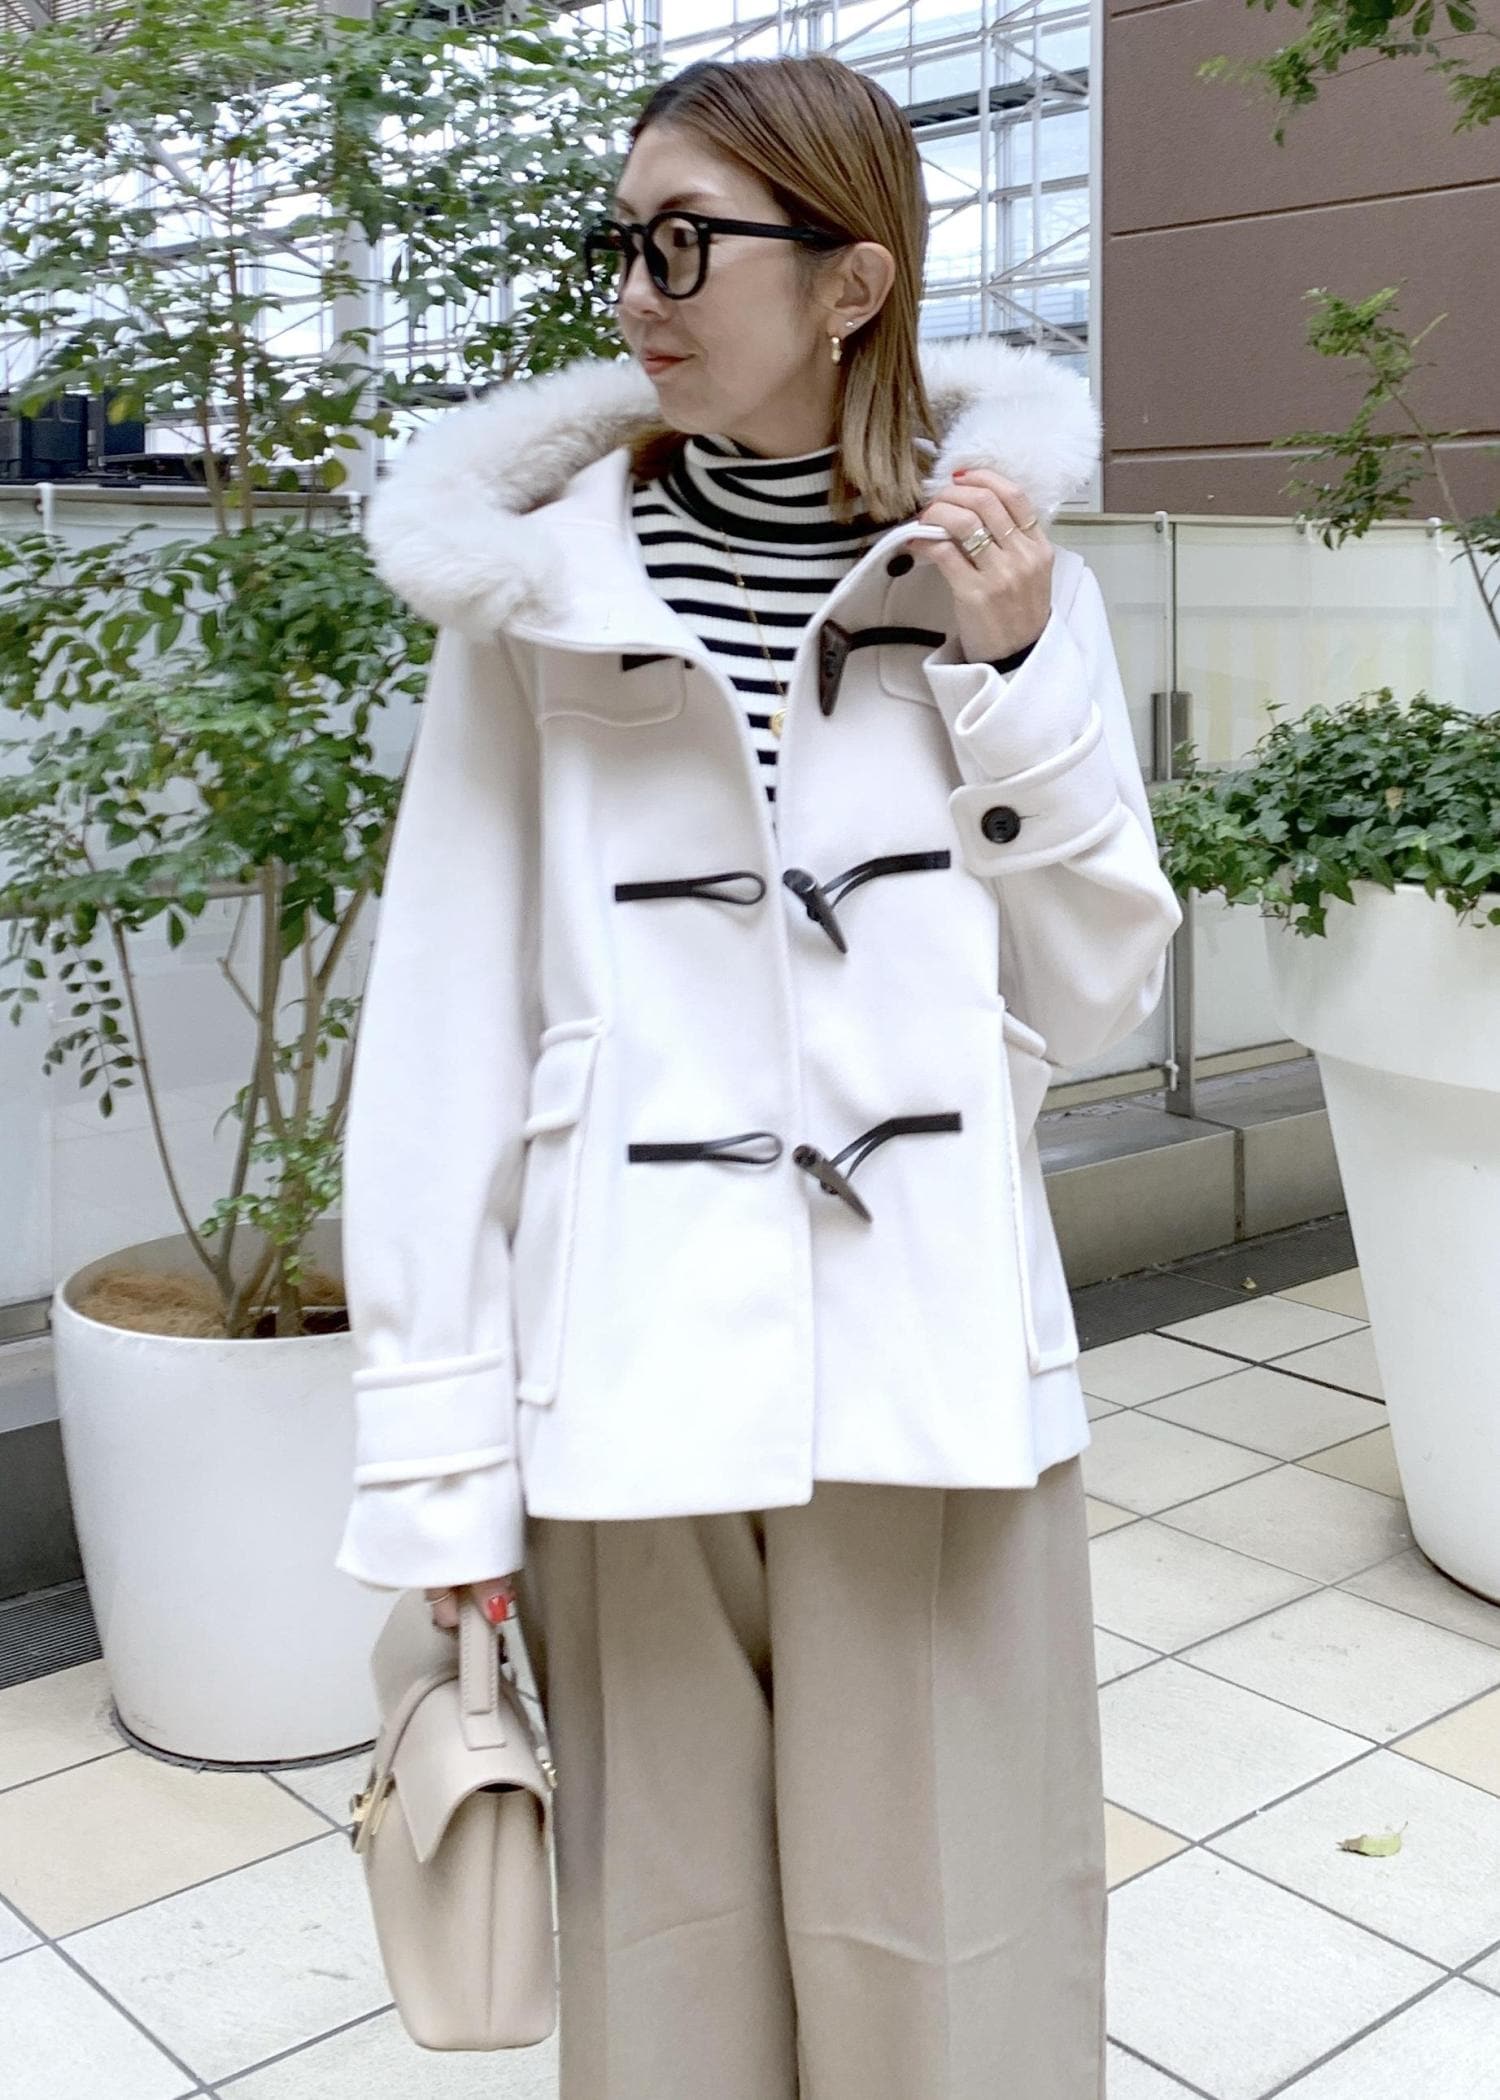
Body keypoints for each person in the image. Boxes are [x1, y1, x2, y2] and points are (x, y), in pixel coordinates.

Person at [335, 51, 1182, 2100]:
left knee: (959, 1966)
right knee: (671, 1966)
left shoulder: (1007, 578)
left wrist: (1014, 683)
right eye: (624, 243)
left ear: (852, 278)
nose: (639, 290)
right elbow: (441, 1034)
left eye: (687, 243)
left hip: (936, 1371)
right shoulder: (542, 598)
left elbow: (1102, 995)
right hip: (632, 1370)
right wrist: (441, 1468)